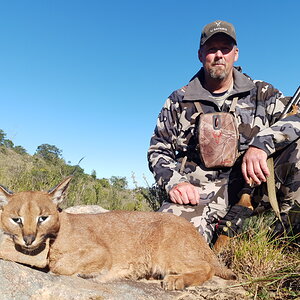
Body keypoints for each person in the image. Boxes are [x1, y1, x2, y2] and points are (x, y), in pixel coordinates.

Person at [148, 20, 300, 245]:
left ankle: (286, 242)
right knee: (168, 244)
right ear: (201, 55)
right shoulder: (178, 100)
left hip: (254, 190)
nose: (219, 55)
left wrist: (262, 143)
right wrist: (176, 183)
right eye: (211, 49)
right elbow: (157, 150)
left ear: (235, 54)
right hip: (197, 195)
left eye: (225, 49)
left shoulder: (262, 92)